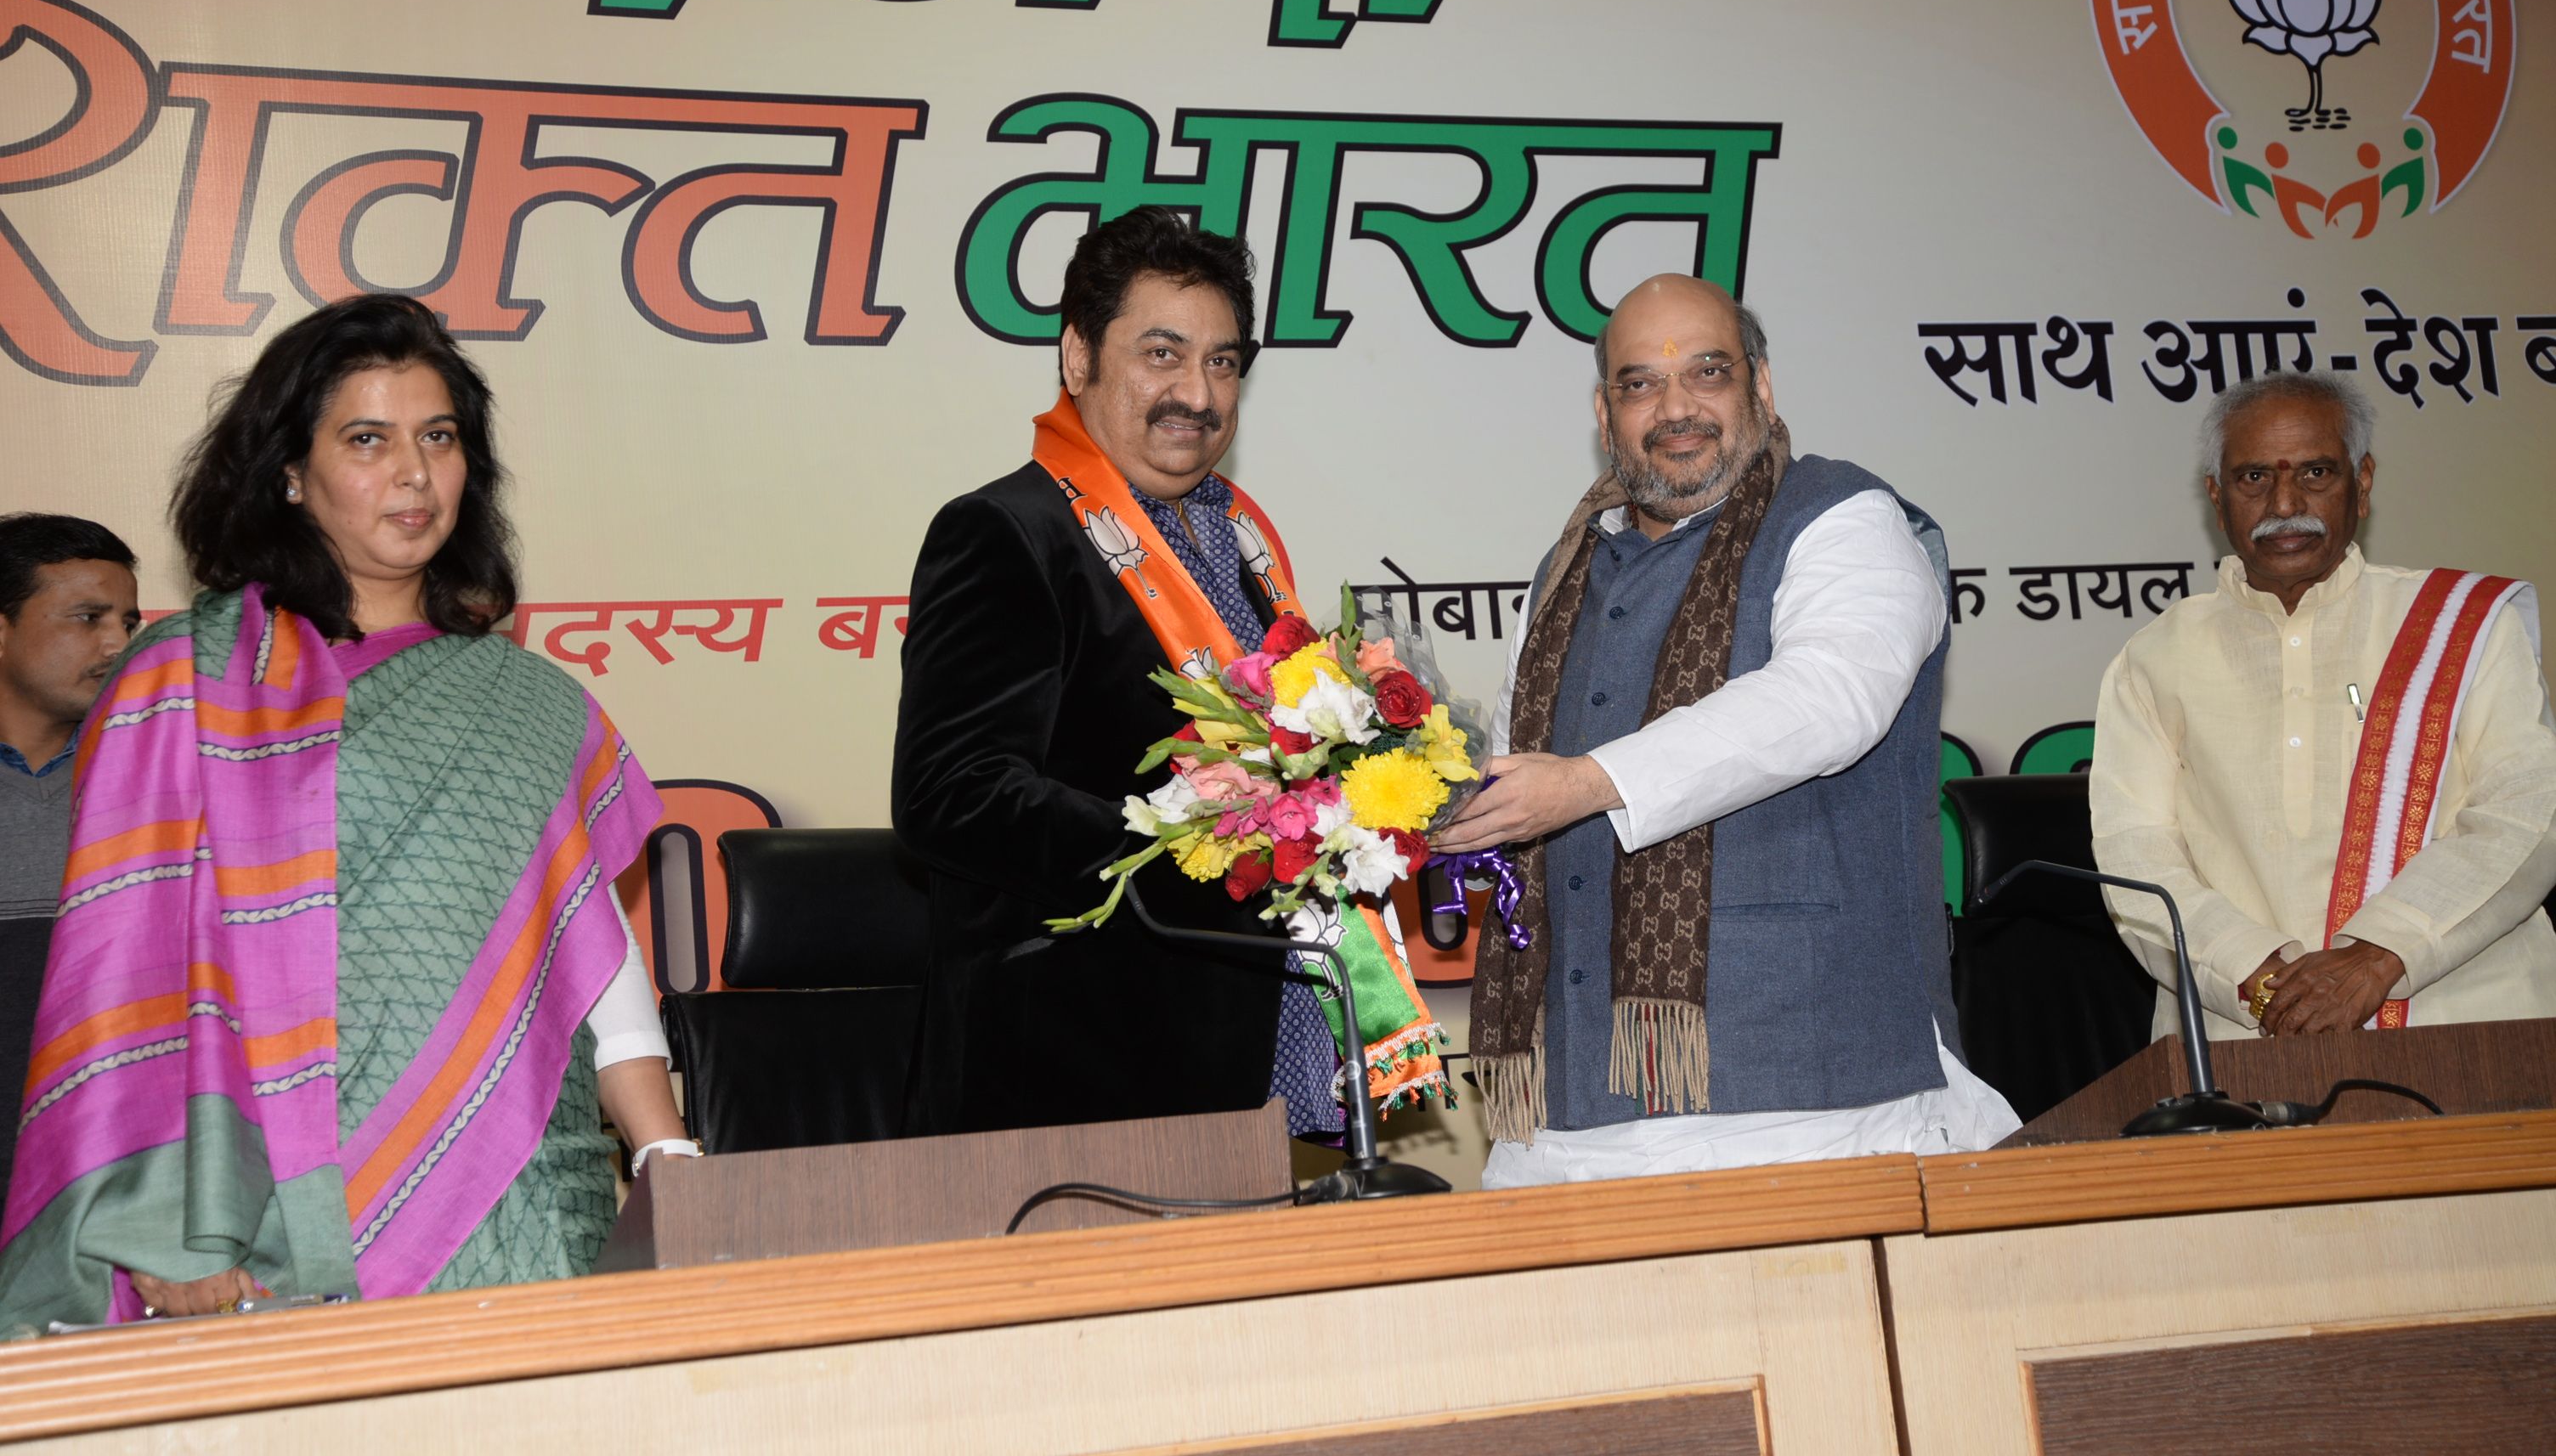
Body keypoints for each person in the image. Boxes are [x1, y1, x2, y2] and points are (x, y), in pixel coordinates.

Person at [0, 296, 690, 1330]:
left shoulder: (535, 702)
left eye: (439, 437)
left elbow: (591, 941)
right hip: (273, 1212)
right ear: (290, 472)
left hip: (530, 1188)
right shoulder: (185, 677)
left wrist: (667, 1152)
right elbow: (124, 978)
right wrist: (158, 1231)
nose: (414, 473)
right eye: (367, 439)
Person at [1434, 274, 2016, 1187]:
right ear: (1603, 411)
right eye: (1638, 383)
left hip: (1804, 1103)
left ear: (1761, 388)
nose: (1674, 407)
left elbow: (1830, 698)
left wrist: (1589, 783)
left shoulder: (1844, 517)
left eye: (1707, 372)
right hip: (1564, 1116)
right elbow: (1521, 769)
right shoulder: (1565, 567)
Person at [894, 206, 1332, 1137]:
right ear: (1076, 358)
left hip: (1228, 1055)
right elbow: (951, 795)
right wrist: (1193, 840)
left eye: (1222, 362)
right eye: (1161, 354)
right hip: (1067, 1077)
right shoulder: (1007, 532)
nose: (1200, 394)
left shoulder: (1242, 540)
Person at [2091, 374, 2556, 1041]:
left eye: (2315, 472)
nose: (2286, 502)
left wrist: (2379, 956)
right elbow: (2135, 860)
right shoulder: (2154, 659)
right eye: (2254, 477)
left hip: (2472, 1024)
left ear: (2362, 484)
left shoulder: (2464, 626)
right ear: (2216, 496)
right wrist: (2256, 979)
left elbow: (2526, 815)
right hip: (2246, 1035)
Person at [0, 515, 140, 1202]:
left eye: (127, 621)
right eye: (88, 618)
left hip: (99, 1192)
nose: (118, 642)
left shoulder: (154, 784)